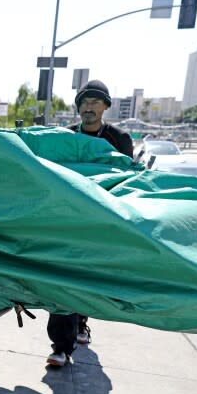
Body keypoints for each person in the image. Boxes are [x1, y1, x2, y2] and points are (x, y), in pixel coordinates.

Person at [46, 79, 133, 368]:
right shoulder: (67, 136)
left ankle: (82, 322)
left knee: (88, 281)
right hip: (69, 221)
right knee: (62, 282)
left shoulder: (119, 139)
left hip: (101, 222)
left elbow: (129, 179)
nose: (89, 107)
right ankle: (61, 346)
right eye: (84, 102)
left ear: (106, 106)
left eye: (95, 102)